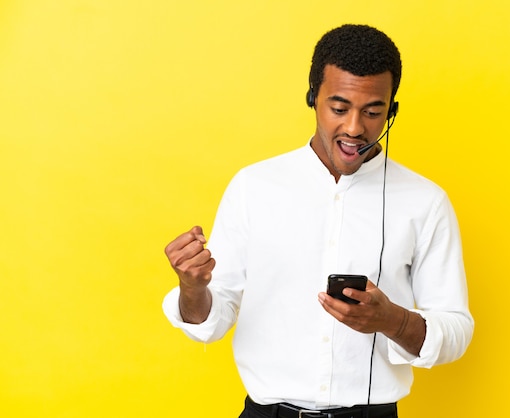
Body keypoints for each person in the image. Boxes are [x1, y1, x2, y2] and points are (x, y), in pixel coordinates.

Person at [163, 24, 473, 418]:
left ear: (391, 110)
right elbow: (211, 319)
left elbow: (456, 331)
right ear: (313, 98)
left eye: (373, 111)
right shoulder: (254, 187)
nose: (354, 128)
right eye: (339, 108)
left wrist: (392, 320)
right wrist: (192, 288)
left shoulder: (426, 202)